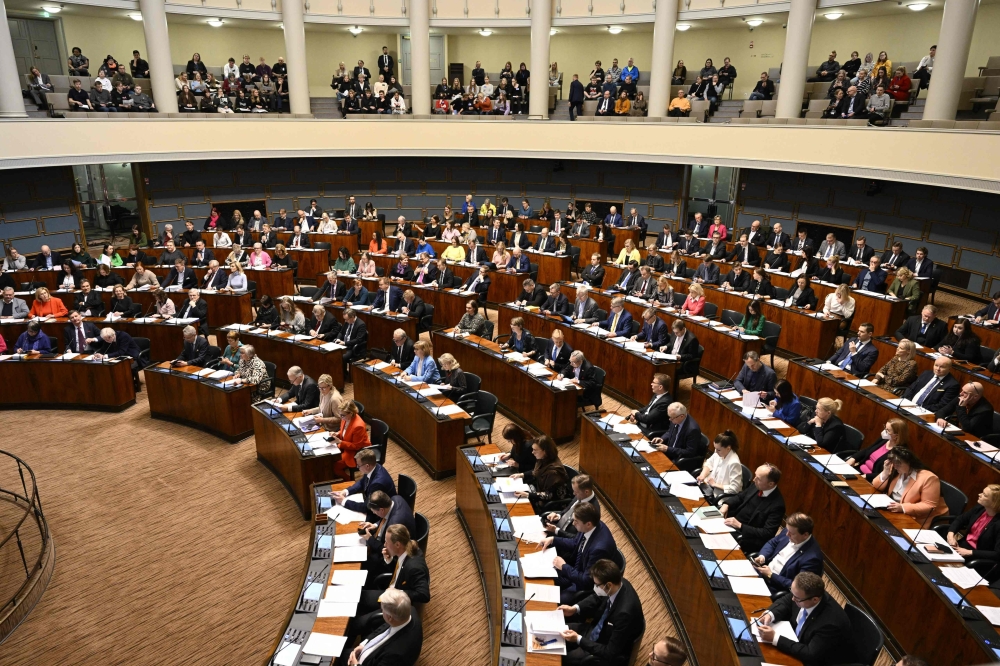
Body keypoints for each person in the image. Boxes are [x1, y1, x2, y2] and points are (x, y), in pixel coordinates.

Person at [556, 558, 644, 665]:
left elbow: (610, 652)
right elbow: (597, 597)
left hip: (602, 644)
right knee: (557, 630)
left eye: (597, 585)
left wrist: (578, 639)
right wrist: (574, 609)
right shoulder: (617, 583)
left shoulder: (624, 614)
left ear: (609, 585)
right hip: (595, 629)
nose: (595, 588)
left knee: (562, 659)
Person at [756, 572, 855, 665]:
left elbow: (810, 654)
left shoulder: (830, 623)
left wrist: (775, 638)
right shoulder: (803, 594)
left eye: (797, 598)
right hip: (795, 641)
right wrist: (770, 614)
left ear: (815, 599)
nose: (793, 599)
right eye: (792, 593)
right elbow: (786, 601)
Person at [537, 502, 617, 604]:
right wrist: (553, 539)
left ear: (588, 524)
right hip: (575, 570)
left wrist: (564, 566)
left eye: (576, 521)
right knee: (542, 578)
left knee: (553, 600)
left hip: (582, 585)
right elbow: (575, 543)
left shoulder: (599, 549)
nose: (573, 523)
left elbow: (586, 581)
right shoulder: (589, 526)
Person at [720, 464, 785, 554]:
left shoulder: (777, 505)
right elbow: (740, 497)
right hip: (731, 522)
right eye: (755, 476)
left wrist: (740, 526)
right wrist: (726, 504)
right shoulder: (757, 485)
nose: (754, 480)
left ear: (770, 484)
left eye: (758, 478)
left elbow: (767, 533)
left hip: (745, 536)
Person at [347, 588, 422, 666]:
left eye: (382, 610)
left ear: (390, 617)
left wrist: (355, 665)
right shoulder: (407, 613)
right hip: (364, 651)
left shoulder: (395, 655)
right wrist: (363, 645)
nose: (381, 612)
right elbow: (384, 628)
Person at [872, 446, 947, 520]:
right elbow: (876, 486)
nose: (895, 466)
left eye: (898, 463)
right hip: (893, 510)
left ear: (909, 463)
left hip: (916, 518)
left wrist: (903, 507)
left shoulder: (929, 478)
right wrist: (885, 472)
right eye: (894, 463)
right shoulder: (895, 468)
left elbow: (929, 506)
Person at [510, 436, 573, 513]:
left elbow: (549, 495)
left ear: (545, 451)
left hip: (552, 504)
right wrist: (521, 475)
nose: (532, 452)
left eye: (535, 450)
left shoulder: (553, 472)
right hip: (539, 492)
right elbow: (536, 472)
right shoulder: (542, 459)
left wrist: (528, 495)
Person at [947, 484, 1000, 563]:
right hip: (961, 546)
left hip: (978, 558)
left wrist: (970, 552)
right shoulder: (980, 508)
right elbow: (960, 519)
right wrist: (950, 535)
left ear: (994, 503)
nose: (979, 495)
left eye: (984, 495)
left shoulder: (998, 523)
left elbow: (997, 554)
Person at [544, 474, 600, 538]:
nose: (573, 494)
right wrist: (558, 516)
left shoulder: (592, 511)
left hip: (564, 538)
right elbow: (568, 510)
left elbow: (578, 539)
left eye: (576, 492)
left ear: (586, 492)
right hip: (556, 528)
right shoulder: (581, 495)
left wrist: (556, 531)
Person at [697, 431, 742, 500]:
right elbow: (709, 463)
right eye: (715, 448)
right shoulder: (719, 452)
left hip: (720, 496)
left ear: (728, 448)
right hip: (709, 488)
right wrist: (703, 475)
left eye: (718, 450)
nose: (715, 451)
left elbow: (735, 488)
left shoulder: (734, 463)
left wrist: (715, 484)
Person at [627, 373, 672, 438]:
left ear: (660, 387)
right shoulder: (657, 394)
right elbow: (647, 408)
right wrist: (636, 412)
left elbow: (648, 419)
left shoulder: (665, 403)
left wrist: (636, 414)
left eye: (653, 382)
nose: (651, 384)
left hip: (649, 431)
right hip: (642, 425)